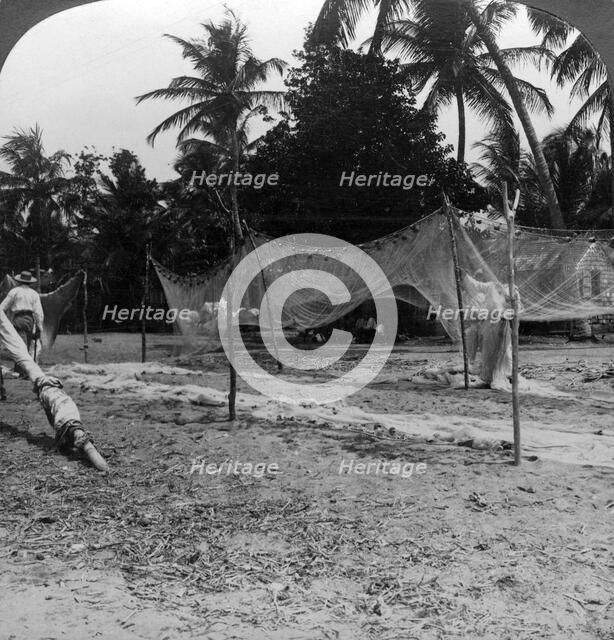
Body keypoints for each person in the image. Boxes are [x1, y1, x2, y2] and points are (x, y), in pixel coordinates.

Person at [0, 270, 44, 364]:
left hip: (18, 319)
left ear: (19, 281)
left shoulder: (14, 292)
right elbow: (38, 312)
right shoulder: (34, 294)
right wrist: (39, 327)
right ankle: (24, 368)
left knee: (20, 345)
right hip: (30, 319)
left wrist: (5, 322)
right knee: (27, 344)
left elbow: (2, 308)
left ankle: (22, 369)